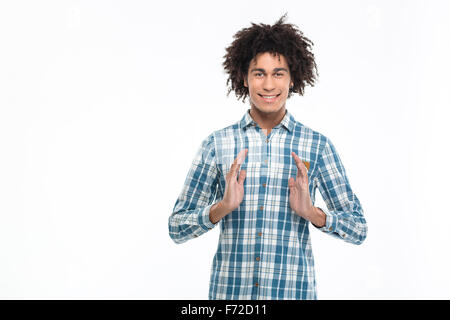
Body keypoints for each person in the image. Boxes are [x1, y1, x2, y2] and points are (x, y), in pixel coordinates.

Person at [168, 13, 367, 300]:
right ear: (244, 78)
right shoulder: (217, 144)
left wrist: (312, 213)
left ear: (292, 78)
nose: (269, 85)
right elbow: (177, 228)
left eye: (278, 73)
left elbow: (358, 228)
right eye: (259, 73)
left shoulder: (317, 146)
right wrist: (222, 207)